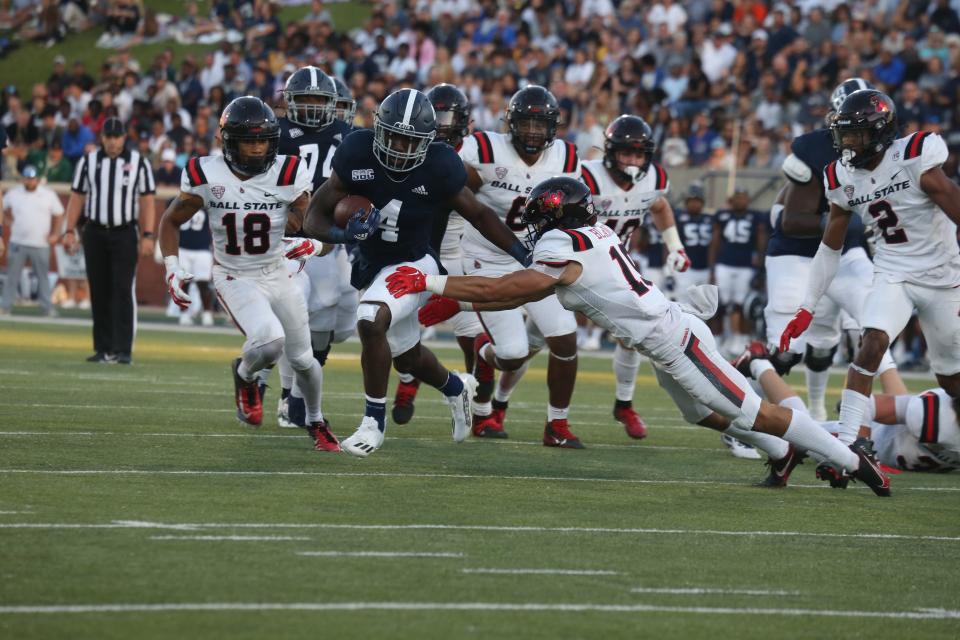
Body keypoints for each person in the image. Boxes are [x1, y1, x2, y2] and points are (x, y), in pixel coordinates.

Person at [390, 176, 891, 496]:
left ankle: (852, 460)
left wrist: (432, 282)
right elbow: (507, 290)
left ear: (555, 217)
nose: (535, 227)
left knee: (755, 411)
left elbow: (510, 290)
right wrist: (454, 295)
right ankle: (784, 454)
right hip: (667, 334)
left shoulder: (566, 246)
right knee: (700, 413)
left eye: (540, 217)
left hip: (675, 340)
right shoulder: (592, 233)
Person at [302, 88, 530, 458]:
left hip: (416, 261)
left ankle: (373, 422)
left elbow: (480, 214)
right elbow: (314, 217)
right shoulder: (356, 152)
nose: (399, 147)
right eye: (392, 136)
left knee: (370, 318)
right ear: (378, 130)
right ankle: (456, 388)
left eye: (410, 141)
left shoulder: (440, 165)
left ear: (427, 141)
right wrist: (344, 234)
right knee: (405, 356)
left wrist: (522, 253)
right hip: (371, 263)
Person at [781, 89, 960, 485]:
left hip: (945, 276)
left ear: (880, 132)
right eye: (843, 134)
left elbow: (954, 204)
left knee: (951, 379)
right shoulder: (841, 176)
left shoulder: (915, 155)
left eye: (855, 135)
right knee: (872, 340)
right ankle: (847, 447)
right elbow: (830, 247)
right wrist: (807, 306)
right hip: (893, 272)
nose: (847, 143)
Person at [158, 96, 341, 453]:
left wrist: (315, 246)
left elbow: (321, 228)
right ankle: (244, 376)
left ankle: (316, 420)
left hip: (276, 272)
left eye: (262, 140)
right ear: (227, 140)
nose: (257, 148)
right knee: (270, 341)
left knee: (304, 360)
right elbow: (170, 220)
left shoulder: (288, 172)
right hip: (234, 275)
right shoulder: (204, 174)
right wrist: (171, 267)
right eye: (248, 140)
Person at [456, 85, 583, 445]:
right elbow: (450, 176)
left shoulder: (567, 157)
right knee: (510, 356)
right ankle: (485, 357)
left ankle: (556, 426)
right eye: (525, 124)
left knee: (565, 338)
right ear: (510, 124)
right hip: (489, 258)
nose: (531, 132)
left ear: (552, 128)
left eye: (539, 125)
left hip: (537, 260)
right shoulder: (482, 147)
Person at [766, 78, 896, 422]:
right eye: (849, 129)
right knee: (785, 350)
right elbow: (788, 220)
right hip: (797, 252)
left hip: (847, 250)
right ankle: (750, 415)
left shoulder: (894, 155)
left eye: (865, 129)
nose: (855, 138)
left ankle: (833, 412)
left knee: (874, 323)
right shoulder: (814, 151)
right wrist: (844, 221)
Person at [580, 114, 690, 439]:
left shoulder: (653, 178)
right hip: (575, 262)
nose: (632, 160)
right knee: (534, 339)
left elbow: (659, 207)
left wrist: (675, 247)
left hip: (616, 267)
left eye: (638, 154)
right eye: (626, 153)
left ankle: (624, 403)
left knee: (636, 331)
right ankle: (496, 404)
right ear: (611, 152)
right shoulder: (587, 176)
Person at [391, 83, 484, 426]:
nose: (443, 124)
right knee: (401, 333)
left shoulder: (477, 153)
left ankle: (479, 400)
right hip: (415, 247)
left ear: (463, 120)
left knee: (475, 335)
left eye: (449, 116)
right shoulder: (410, 144)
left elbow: (489, 199)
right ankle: (407, 381)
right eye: (438, 116)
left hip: (458, 252)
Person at [274, 66, 356, 429]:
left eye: (317, 100)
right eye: (303, 99)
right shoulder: (275, 134)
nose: (310, 107)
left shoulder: (346, 134)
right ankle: (288, 395)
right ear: (290, 102)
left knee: (331, 314)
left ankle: (292, 393)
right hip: (289, 236)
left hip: (327, 238)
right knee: (293, 314)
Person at [61, 117, 156, 364]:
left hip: (124, 231)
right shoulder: (88, 161)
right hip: (94, 231)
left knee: (122, 289)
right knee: (99, 289)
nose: (113, 141)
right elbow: (77, 197)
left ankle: (123, 349)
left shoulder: (138, 163)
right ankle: (103, 348)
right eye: (109, 136)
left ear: (124, 137)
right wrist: (69, 230)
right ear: (102, 137)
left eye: (117, 136)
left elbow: (147, 201)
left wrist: (147, 235)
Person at [709, 186, 766, 355]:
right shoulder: (722, 216)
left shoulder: (755, 217)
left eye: (743, 197)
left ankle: (740, 339)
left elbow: (761, 241)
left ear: (748, 200)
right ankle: (718, 340)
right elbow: (715, 242)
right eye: (737, 197)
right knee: (720, 305)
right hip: (724, 264)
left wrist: (759, 265)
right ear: (731, 200)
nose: (740, 200)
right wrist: (712, 267)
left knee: (743, 306)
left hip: (745, 265)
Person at [0, 165, 63, 316]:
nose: (30, 181)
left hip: (40, 243)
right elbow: (2, 207)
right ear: (23, 179)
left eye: (32, 178)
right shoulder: (14, 193)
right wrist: (7, 220)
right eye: (27, 178)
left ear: (37, 180)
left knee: (43, 277)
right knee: (12, 276)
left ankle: (47, 308)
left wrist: (55, 233)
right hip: (18, 241)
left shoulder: (48, 194)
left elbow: (59, 213)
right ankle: (5, 306)